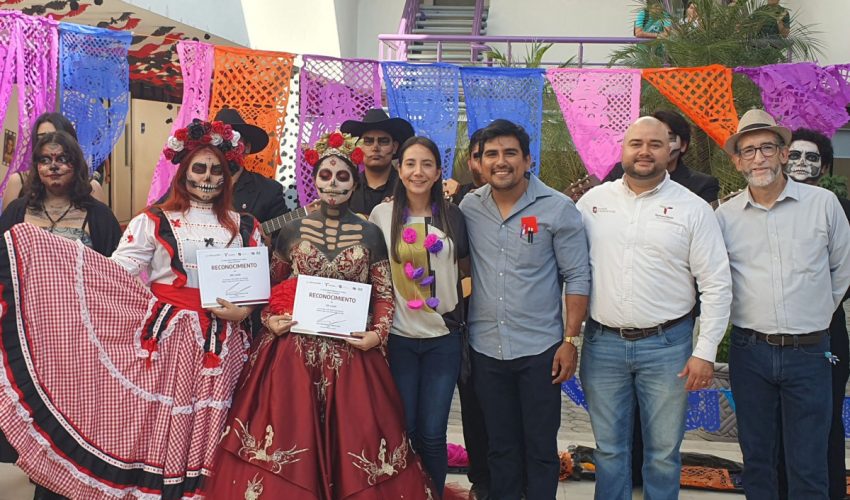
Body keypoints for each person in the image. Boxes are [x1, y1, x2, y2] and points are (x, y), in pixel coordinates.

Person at [0, 119, 262, 498]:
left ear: (227, 174)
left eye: (216, 169)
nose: (207, 177)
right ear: (184, 172)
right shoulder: (153, 220)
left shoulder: (246, 226)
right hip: (169, 341)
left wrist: (244, 312)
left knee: (213, 419)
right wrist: (53, 261)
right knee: (161, 420)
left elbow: (255, 286)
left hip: (224, 344)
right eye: (199, 168)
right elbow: (114, 271)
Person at [206, 130, 435, 499]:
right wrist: (270, 321)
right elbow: (269, 289)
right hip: (293, 355)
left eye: (342, 176)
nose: (333, 183)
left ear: (354, 182)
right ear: (313, 181)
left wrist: (377, 334)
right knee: (289, 431)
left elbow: (383, 293)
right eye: (325, 175)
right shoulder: (291, 231)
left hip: (352, 352)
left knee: (358, 437)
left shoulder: (371, 234)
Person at [576, 117, 732, 499]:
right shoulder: (592, 203)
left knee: (663, 454)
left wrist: (705, 351)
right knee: (609, 450)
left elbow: (716, 283)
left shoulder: (693, 208)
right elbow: (568, 270)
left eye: (655, 144)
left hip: (668, 347)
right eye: (636, 143)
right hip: (602, 344)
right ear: (623, 149)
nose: (644, 152)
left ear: (671, 150)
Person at [716, 109, 850, 499]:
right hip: (750, 352)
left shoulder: (823, 204)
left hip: (810, 352)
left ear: (783, 153)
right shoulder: (725, 217)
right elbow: (716, 280)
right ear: (738, 161)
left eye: (767, 148)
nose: (758, 158)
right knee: (758, 459)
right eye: (749, 150)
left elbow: (842, 269)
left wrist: (815, 314)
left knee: (808, 461)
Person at [460, 119, 590, 499]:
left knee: (539, 447)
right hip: (486, 349)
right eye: (492, 154)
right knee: (500, 447)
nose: (501, 161)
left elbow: (577, 276)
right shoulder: (469, 207)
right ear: (479, 162)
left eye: (510, 153)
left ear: (528, 160)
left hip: (540, 351)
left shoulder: (557, 208)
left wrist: (570, 341)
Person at [0, 130, 122, 498]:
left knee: (74, 412)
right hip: (26, 332)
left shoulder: (97, 215)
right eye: (45, 160)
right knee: (31, 409)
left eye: (62, 160)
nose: (53, 167)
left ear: (76, 166)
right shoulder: (17, 211)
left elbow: (116, 275)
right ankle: (39, 477)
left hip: (80, 335)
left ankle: (70, 481)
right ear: (36, 167)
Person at [369, 136, 468, 495]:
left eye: (427, 164)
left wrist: (457, 309)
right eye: (410, 163)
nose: (418, 172)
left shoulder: (453, 216)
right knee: (404, 428)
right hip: (399, 341)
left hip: (443, 341)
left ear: (439, 171)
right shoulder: (382, 216)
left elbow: (466, 273)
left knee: (432, 433)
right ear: (399, 169)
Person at [777, 128, 850, 500]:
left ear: (824, 166)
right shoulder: (765, 204)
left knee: (826, 417)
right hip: (771, 335)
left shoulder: (839, 208)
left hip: (827, 330)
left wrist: (817, 305)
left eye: (812, 157)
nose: (802, 163)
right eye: (795, 155)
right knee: (775, 422)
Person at [604, 110, 720, 204]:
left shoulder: (702, 185)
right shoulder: (619, 172)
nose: (646, 151)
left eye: (668, 138)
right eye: (638, 142)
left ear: (683, 145)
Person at [2, 112, 106, 210]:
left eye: (56, 136)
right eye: (41, 138)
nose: (49, 143)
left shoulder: (91, 188)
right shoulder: (18, 182)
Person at [213, 108, 291, 233]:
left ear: (247, 147)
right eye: (218, 143)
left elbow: (284, 237)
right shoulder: (192, 184)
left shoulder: (268, 191)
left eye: (232, 142)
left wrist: (265, 241)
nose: (224, 149)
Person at [340, 108, 415, 216]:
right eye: (368, 141)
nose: (375, 147)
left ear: (394, 147)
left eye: (383, 141)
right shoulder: (346, 186)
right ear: (358, 147)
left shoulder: (408, 187)